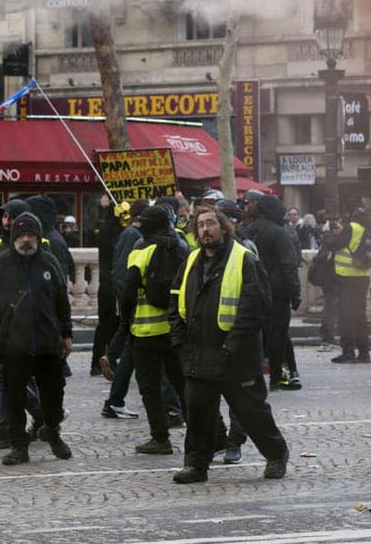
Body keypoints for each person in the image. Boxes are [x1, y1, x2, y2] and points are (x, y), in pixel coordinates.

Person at [171, 205, 289, 483]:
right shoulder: (191, 260)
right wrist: (178, 339)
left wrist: (231, 346)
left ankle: (276, 455)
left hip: (236, 356)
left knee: (252, 413)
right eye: (200, 225)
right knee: (198, 414)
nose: (205, 230)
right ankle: (196, 465)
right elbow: (174, 298)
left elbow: (256, 307)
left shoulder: (244, 259)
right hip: (199, 353)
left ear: (223, 227)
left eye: (210, 223)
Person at [0, 212, 72, 465]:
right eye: (21, 235)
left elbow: (62, 301)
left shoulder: (49, 262)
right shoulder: (1, 264)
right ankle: (20, 447)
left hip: (47, 344)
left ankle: (51, 430)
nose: (26, 240)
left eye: (31, 235)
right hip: (13, 344)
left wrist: (67, 334)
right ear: (14, 237)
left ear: (38, 237)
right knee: (14, 398)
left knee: (54, 396)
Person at [115, 202, 189, 455]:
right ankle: (211, 433)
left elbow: (128, 292)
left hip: (145, 332)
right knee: (183, 384)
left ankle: (160, 438)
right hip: (176, 329)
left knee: (149, 387)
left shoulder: (141, 249)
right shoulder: (182, 246)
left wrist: (123, 324)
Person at [0, 198, 42, 450]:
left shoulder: (34, 247)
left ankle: (2, 426)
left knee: (5, 376)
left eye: (10, 217)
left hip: (18, 323)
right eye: (3, 217)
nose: (5, 221)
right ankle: (39, 414)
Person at [241, 191, 303, 391]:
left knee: (256, 334)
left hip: (252, 290)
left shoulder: (246, 231)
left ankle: (255, 376)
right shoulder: (279, 233)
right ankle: (277, 376)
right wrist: (295, 292)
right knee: (279, 334)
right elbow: (288, 265)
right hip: (277, 291)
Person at [98, 200, 146, 414]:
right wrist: (126, 300)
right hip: (135, 306)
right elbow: (121, 272)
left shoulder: (132, 236)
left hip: (135, 306)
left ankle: (115, 400)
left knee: (130, 353)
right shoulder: (131, 237)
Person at [326, 211, 371, 364]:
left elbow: (333, 245)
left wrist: (327, 233)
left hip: (347, 277)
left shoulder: (352, 227)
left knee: (346, 317)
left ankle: (348, 352)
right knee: (360, 316)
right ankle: (364, 352)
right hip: (363, 276)